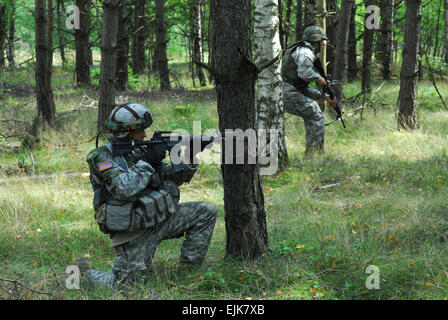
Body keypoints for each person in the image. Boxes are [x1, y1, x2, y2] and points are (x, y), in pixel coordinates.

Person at [77, 102, 218, 288]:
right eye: (140, 130)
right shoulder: (101, 157)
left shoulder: (141, 149)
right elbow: (124, 188)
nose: (144, 135)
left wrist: (191, 154)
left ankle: (188, 273)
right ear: (126, 131)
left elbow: (173, 177)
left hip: (159, 218)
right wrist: (147, 161)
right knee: (129, 287)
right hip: (131, 231)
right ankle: (83, 274)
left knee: (206, 211)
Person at [281, 26, 338, 159]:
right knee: (315, 114)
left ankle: (314, 154)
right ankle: (313, 156)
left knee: (314, 113)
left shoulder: (302, 50)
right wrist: (319, 79)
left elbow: (301, 86)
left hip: (287, 89)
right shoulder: (305, 51)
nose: (324, 44)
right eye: (322, 41)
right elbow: (304, 73)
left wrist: (323, 96)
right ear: (316, 40)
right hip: (286, 91)